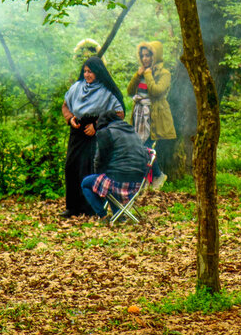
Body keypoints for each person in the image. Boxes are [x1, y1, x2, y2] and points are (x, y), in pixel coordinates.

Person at [61, 56, 124, 217]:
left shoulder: (106, 91)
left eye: (91, 72)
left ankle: (92, 208)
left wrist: (97, 125)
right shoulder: (77, 87)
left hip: (95, 132)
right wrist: (70, 118)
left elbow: (119, 113)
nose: (88, 75)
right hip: (77, 131)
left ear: (98, 73)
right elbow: (65, 106)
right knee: (71, 167)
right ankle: (73, 207)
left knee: (90, 168)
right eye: (85, 71)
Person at [81, 110, 150, 218]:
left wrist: (98, 173)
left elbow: (99, 161)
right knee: (110, 179)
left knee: (86, 183)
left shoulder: (106, 132)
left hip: (118, 181)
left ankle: (103, 215)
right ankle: (118, 215)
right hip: (138, 183)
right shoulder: (132, 131)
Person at [127, 40, 175, 190]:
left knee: (145, 148)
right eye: (142, 56)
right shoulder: (141, 72)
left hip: (153, 116)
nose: (145, 59)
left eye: (148, 55)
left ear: (156, 56)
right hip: (139, 115)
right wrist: (137, 75)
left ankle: (158, 174)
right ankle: (146, 180)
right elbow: (129, 91)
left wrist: (147, 75)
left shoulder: (164, 73)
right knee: (139, 147)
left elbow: (156, 91)